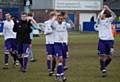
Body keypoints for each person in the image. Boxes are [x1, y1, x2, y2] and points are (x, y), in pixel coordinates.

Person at [95, 5, 116, 77]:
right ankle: (103, 69)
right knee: (102, 55)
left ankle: (103, 66)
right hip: (102, 40)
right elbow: (98, 16)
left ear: (105, 15)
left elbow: (114, 16)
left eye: (103, 14)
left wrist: (108, 9)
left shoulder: (108, 20)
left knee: (110, 57)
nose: (101, 15)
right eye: (101, 14)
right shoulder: (99, 21)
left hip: (110, 40)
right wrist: (103, 9)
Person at [52, 13, 71, 81]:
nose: (60, 20)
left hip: (64, 44)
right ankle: (62, 76)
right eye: (59, 18)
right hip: (57, 44)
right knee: (60, 59)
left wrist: (67, 18)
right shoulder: (54, 24)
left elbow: (72, 25)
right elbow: (51, 23)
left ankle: (58, 75)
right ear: (57, 18)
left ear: (63, 19)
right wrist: (56, 16)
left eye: (61, 19)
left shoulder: (65, 24)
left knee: (62, 61)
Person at [44, 11, 57, 76]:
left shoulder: (57, 23)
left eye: (55, 16)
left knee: (54, 57)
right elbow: (45, 32)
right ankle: (49, 70)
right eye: (53, 16)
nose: (54, 17)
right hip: (49, 42)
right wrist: (50, 31)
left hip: (55, 42)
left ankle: (53, 69)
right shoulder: (47, 23)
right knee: (49, 56)